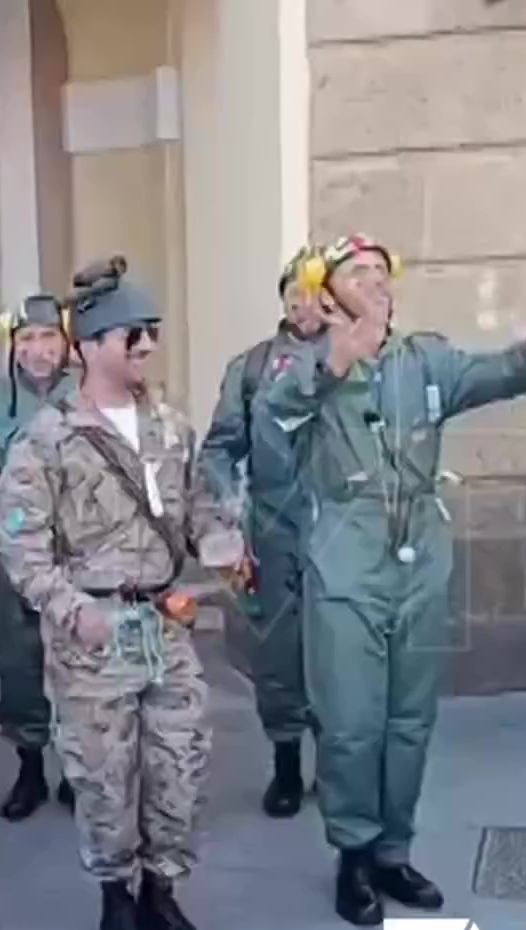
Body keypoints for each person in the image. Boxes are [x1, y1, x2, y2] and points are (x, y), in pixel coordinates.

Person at [264, 233, 526, 927]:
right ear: (326, 292)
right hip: (346, 560)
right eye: (357, 273)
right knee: (351, 721)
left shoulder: (424, 358)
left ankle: (393, 852)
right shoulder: (303, 362)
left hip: (420, 558)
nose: (375, 281)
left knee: (410, 719)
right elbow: (274, 424)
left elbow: (504, 374)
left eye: (381, 271)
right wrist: (341, 357)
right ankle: (354, 853)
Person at [0, 262, 241, 930]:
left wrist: (222, 543)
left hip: (164, 623)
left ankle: (162, 891)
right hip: (94, 635)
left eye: (152, 333)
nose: (147, 346)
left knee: (178, 765)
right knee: (105, 777)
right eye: (133, 334)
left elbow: (197, 510)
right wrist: (71, 611)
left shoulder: (171, 429)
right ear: (92, 344)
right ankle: (116, 899)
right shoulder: (49, 438)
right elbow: (20, 541)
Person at [195, 248, 327, 818]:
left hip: (342, 532)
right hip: (273, 532)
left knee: (343, 656)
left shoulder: (358, 359)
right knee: (279, 655)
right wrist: (229, 508)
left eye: (314, 294)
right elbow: (220, 447)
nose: (304, 305)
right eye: (294, 293)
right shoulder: (251, 369)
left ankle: (340, 767)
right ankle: (287, 765)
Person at [0, 294, 79, 822]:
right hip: (17, 549)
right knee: (20, 661)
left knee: (81, 657)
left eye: (48, 337)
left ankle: (79, 769)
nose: (38, 350)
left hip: (80, 547)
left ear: (66, 341)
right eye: (27, 339)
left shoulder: (87, 392)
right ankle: (30, 767)